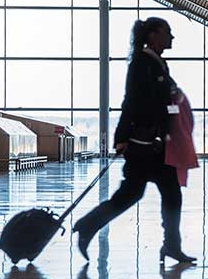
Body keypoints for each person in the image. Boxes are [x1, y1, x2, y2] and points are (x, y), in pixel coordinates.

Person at [73, 17, 196, 264]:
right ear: (153, 35)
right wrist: (121, 138)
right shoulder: (142, 63)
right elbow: (131, 101)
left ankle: (171, 246)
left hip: (156, 145)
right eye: (167, 32)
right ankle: (87, 225)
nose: (171, 37)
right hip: (144, 145)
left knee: (166, 194)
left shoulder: (157, 64)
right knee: (133, 195)